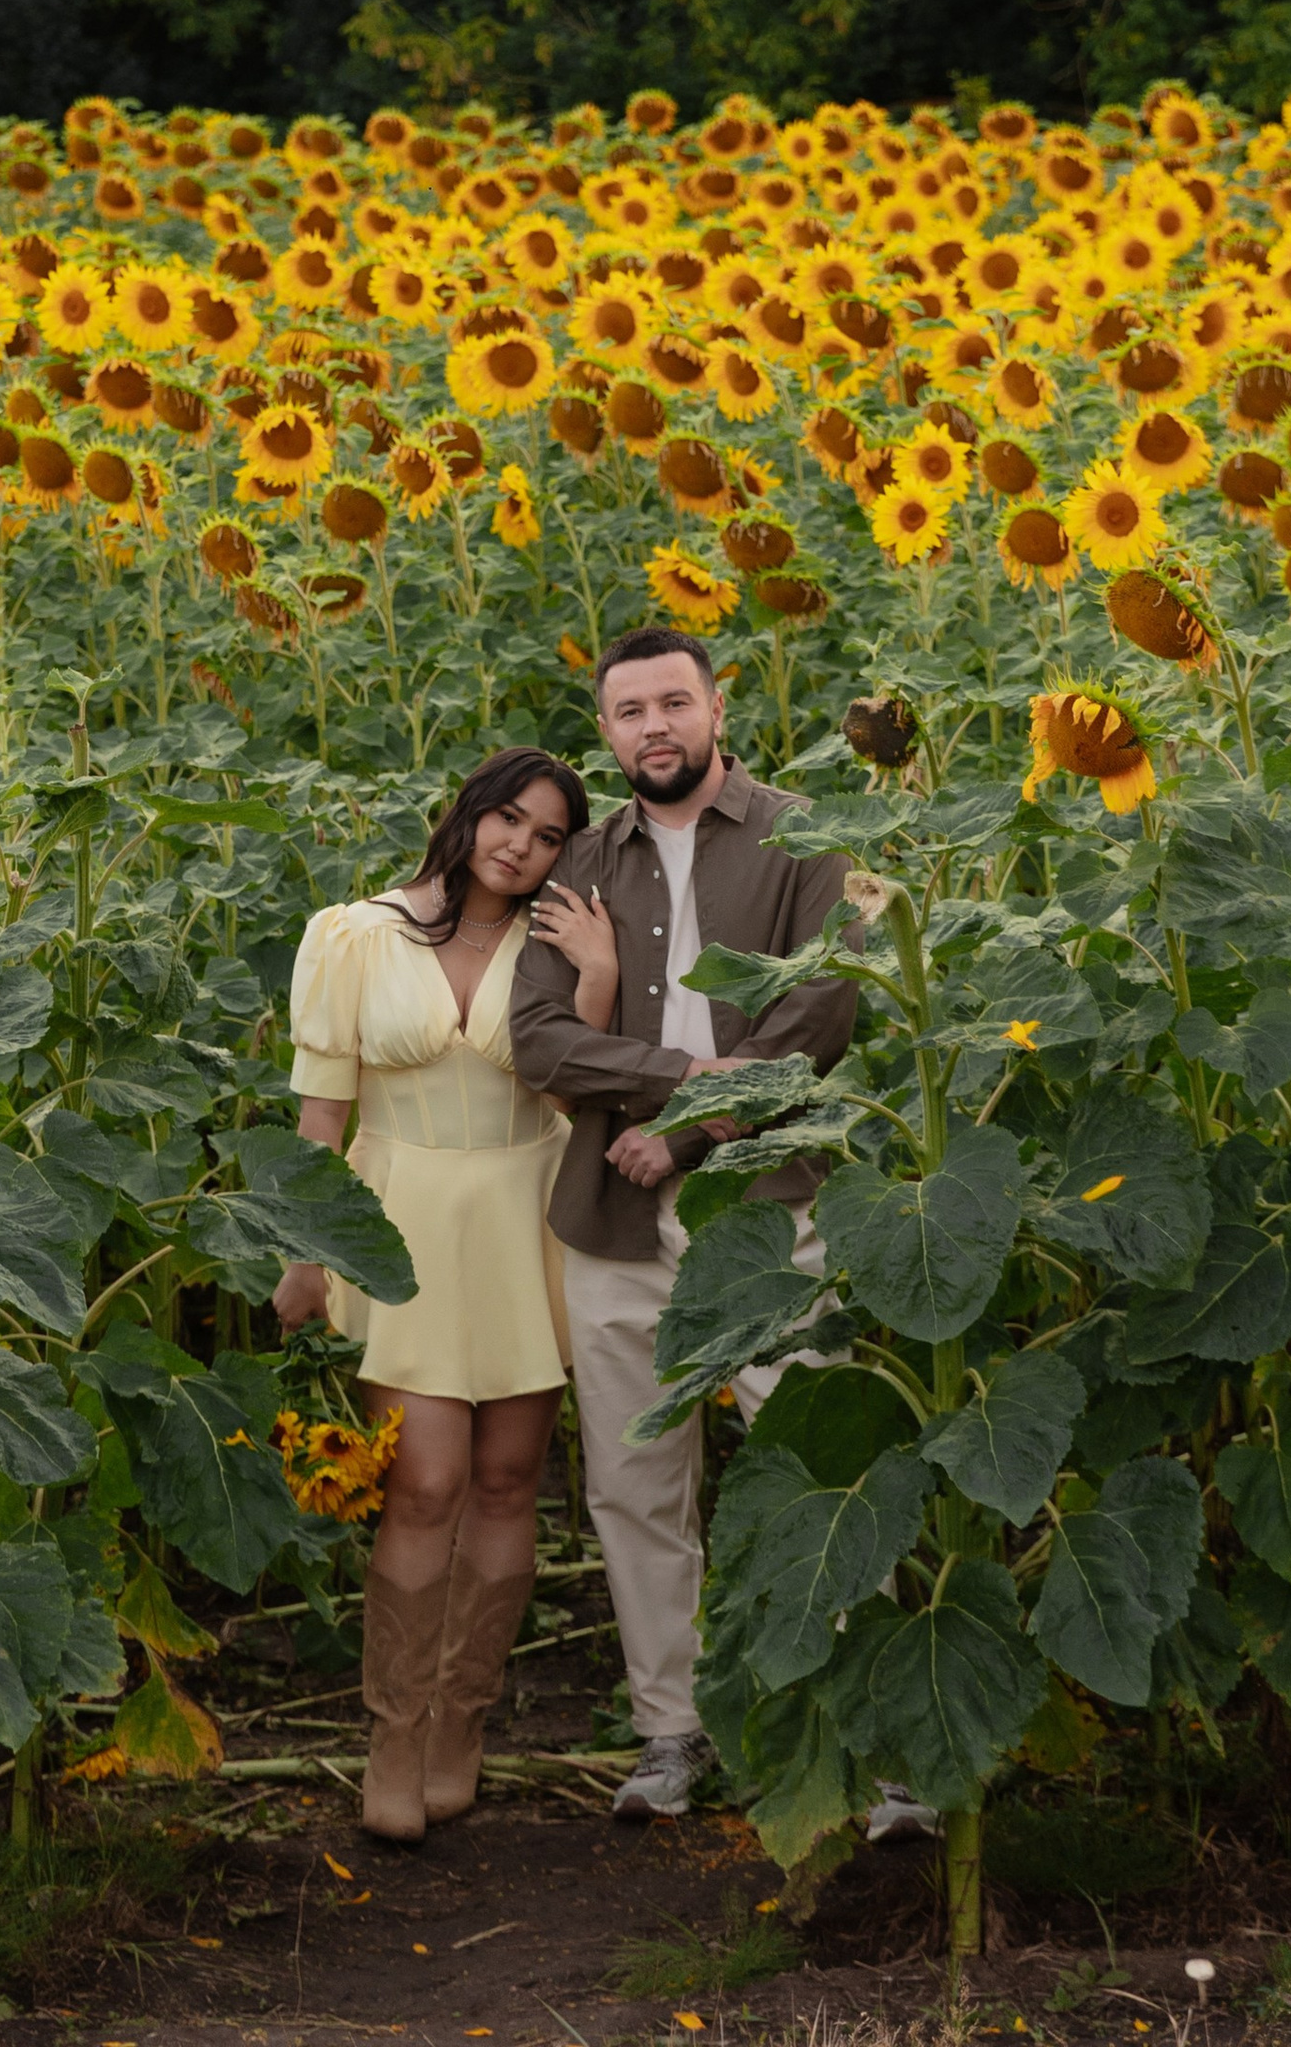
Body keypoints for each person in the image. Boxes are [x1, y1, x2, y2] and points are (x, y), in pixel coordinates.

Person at [510, 626, 858, 1821]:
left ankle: (864, 1732)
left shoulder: (802, 837)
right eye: (629, 711)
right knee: (632, 1481)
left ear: (716, 708)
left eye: (672, 703)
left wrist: (688, 1129)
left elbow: (818, 1015)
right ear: (605, 731)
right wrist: (686, 1079)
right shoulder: (580, 862)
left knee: (815, 1465)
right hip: (612, 1210)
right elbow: (540, 1038)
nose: (653, 727)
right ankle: (672, 1728)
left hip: (767, 1203)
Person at [276, 745, 605, 1845]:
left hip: (525, 1215)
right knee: (425, 1483)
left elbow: (585, 1084)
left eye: (548, 835)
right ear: (467, 813)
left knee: (508, 1482)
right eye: (508, 818)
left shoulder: (558, 941)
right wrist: (305, 1249)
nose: (521, 846)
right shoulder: (355, 934)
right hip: (398, 1215)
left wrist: (598, 978)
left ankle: (463, 1721)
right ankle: (395, 1733)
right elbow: (322, 1115)